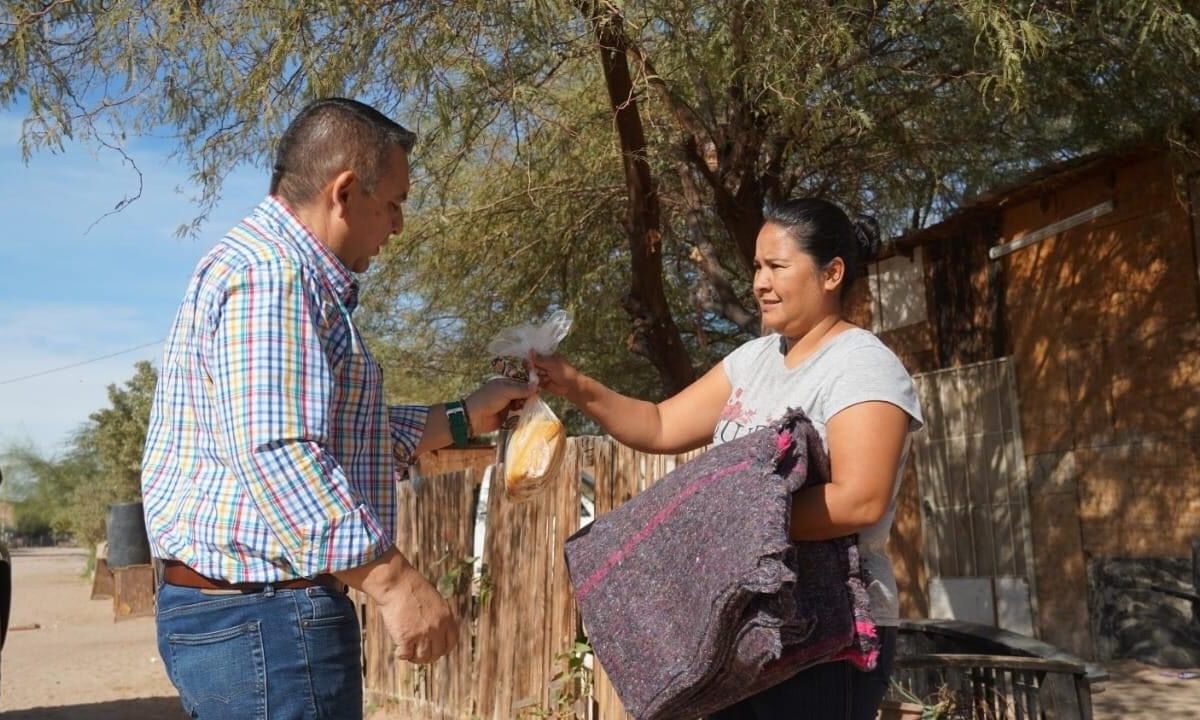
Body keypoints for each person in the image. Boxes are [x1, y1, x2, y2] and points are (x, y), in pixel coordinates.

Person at [140, 98, 534, 720]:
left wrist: (465, 415)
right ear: (345, 192)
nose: (399, 226)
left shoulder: (268, 266)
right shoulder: (275, 276)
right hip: (265, 618)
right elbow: (281, 450)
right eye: (395, 203)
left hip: (248, 616)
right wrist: (393, 580)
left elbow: (336, 434)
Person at [532, 198, 923, 719]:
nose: (760, 282)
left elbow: (860, 500)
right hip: (747, 630)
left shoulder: (861, 365)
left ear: (831, 273)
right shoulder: (754, 359)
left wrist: (729, 529)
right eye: (758, 266)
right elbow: (661, 423)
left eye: (777, 267)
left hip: (827, 641)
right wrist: (574, 384)